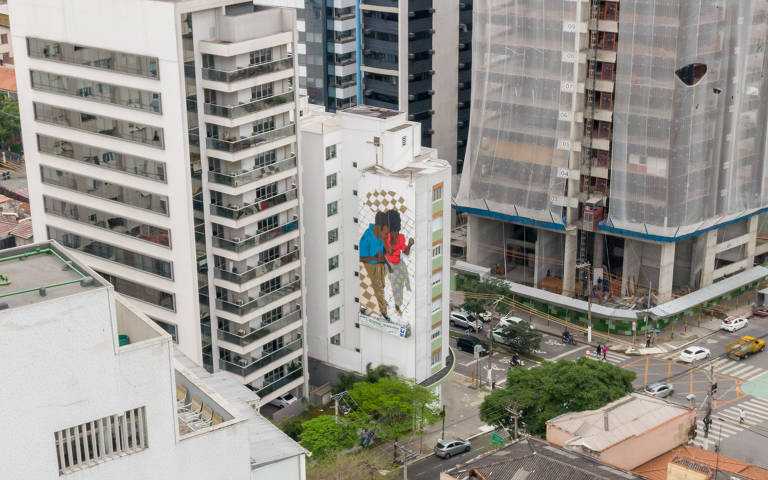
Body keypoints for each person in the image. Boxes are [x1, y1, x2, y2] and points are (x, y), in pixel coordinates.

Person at [359, 211, 391, 320]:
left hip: (380, 263)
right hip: (370, 265)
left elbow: (382, 243)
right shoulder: (365, 239)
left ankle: (380, 300)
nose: (386, 236)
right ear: (378, 228)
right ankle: (384, 313)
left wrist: (385, 257)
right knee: (379, 289)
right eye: (385, 233)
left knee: (382, 285)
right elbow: (360, 258)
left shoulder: (379, 233)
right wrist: (375, 259)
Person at [384, 210, 413, 315]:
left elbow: (405, 252)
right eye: (393, 231)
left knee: (398, 286)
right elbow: (388, 251)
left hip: (397, 264)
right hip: (387, 263)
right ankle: (383, 301)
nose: (395, 234)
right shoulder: (385, 237)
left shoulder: (400, 237)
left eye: (397, 231)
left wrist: (409, 245)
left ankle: (397, 305)